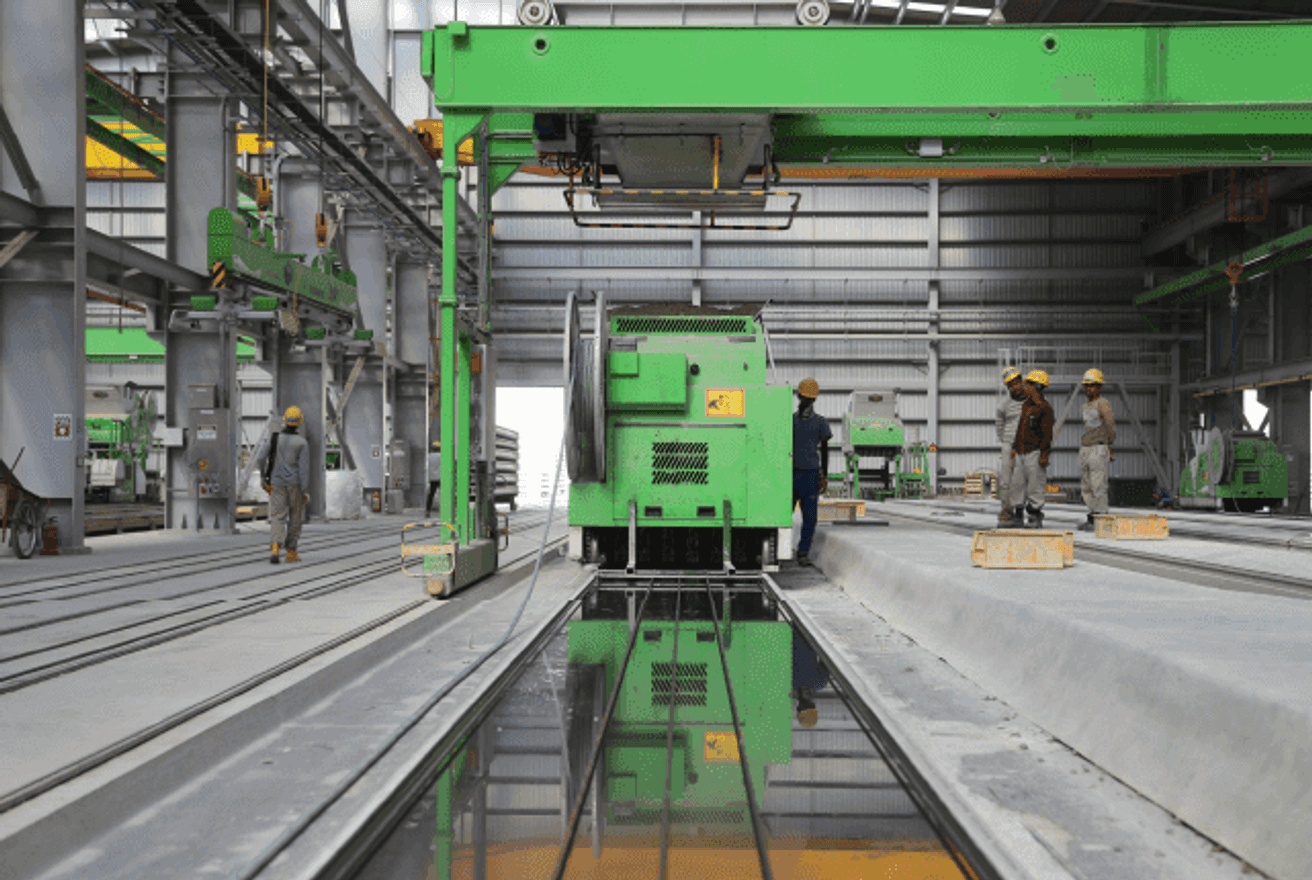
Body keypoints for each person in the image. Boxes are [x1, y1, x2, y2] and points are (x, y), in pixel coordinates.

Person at [262, 405, 310, 563]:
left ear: (284, 421)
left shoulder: (274, 439)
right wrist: (305, 491)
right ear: (299, 423)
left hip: (276, 484)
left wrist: (264, 477)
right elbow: (304, 469)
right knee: (295, 517)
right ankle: (291, 552)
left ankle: (275, 547)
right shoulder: (302, 443)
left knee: (277, 516)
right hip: (294, 485)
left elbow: (260, 458)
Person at [793, 377, 831, 567]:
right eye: (805, 398)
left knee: (810, 518)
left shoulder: (820, 423)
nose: (806, 401)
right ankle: (780, 549)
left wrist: (824, 475)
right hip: (792, 474)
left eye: (808, 398)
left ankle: (802, 552)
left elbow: (824, 450)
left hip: (809, 475)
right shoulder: (789, 422)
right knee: (783, 514)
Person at [1010, 370, 1055, 529]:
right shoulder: (1026, 406)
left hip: (1035, 452)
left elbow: (1047, 434)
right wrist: (1014, 447)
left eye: (1028, 384)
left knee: (1035, 486)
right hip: (1021, 451)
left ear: (1037, 386)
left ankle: (1035, 515)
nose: (1025, 386)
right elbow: (1020, 429)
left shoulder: (1045, 408)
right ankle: (1017, 516)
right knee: (1017, 484)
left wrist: (1044, 454)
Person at [1077, 368, 1116, 532]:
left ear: (1099, 387)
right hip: (1086, 448)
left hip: (1098, 448)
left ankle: (1101, 517)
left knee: (1098, 483)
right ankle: (1093, 514)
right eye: (1086, 386)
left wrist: (1109, 445)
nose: (1088, 389)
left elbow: (1110, 426)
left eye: (1092, 386)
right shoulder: (1086, 406)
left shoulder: (1103, 404)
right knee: (1086, 484)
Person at [995, 367, 1026, 525]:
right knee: (1006, 480)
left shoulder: (1030, 402)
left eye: (1016, 382)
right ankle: (1007, 511)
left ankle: (1019, 514)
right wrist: (1007, 442)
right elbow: (999, 426)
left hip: (1025, 446)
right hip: (1008, 445)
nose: (1015, 386)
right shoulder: (1003, 405)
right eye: (1011, 384)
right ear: (1008, 387)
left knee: (1020, 480)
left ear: (1021, 381)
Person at [425, 441, 441, 518]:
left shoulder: (429, 456)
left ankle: (428, 511)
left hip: (432, 478)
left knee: (431, 495)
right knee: (445, 494)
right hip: (441, 477)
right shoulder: (441, 456)